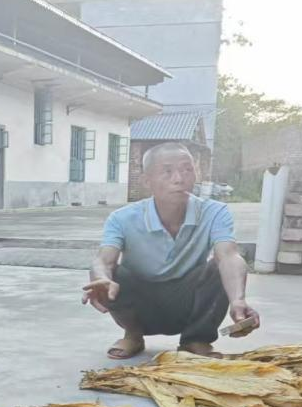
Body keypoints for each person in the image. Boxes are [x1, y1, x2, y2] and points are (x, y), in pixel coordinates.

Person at [82, 142, 260, 359]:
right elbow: (103, 260)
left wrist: (238, 300)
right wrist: (101, 277)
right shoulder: (122, 218)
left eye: (187, 169)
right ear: (147, 180)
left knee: (217, 267)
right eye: (167, 171)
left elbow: (229, 255)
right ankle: (133, 334)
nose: (179, 179)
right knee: (114, 276)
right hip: (140, 302)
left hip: (187, 301)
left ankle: (196, 340)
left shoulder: (214, 212)